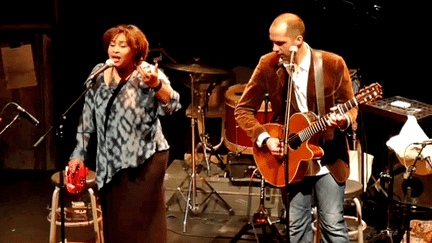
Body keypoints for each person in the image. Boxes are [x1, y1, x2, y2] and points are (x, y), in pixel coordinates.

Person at [234, 13, 357, 242]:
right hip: (291, 157)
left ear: (298, 40)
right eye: (272, 41)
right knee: (296, 226)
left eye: (280, 43)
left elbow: (351, 108)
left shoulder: (332, 64)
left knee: (332, 224)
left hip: (327, 155)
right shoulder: (268, 64)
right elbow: (242, 110)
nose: (274, 48)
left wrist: (343, 120)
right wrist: (266, 139)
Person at [67, 24, 181, 243]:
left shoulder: (145, 74)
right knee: (114, 226)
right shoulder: (98, 73)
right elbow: (87, 117)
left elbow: (173, 106)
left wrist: (157, 85)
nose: (115, 50)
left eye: (123, 46)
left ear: (136, 51)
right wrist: (78, 153)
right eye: (112, 45)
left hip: (145, 161)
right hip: (109, 163)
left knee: (137, 227)